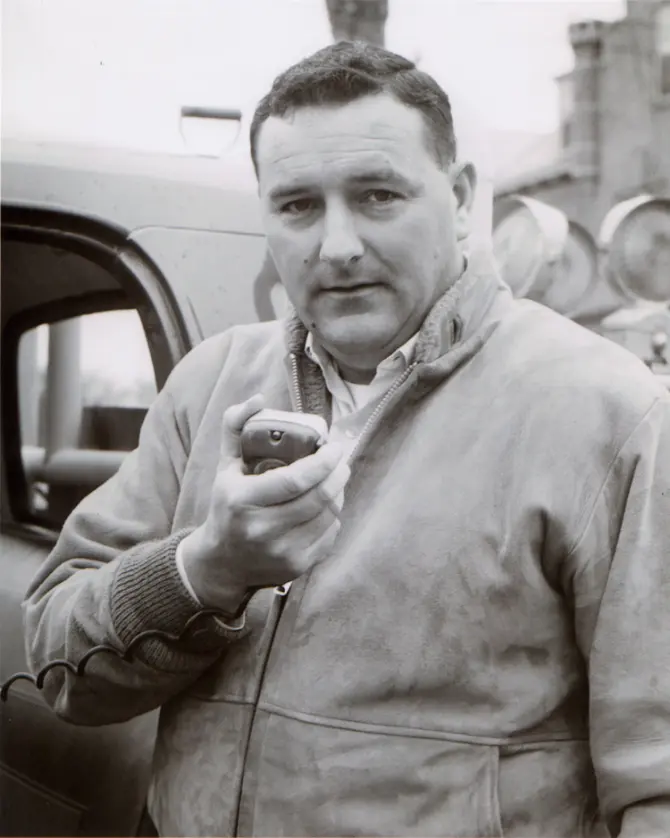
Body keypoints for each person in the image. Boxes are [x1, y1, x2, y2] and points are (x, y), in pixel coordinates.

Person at [24, 41, 670, 838]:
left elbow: (659, 781)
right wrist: (207, 569)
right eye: (297, 205)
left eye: (377, 196)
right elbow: (62, 673)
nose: (336, 246)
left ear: (462, 197)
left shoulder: (608, 411)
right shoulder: (210, 382)